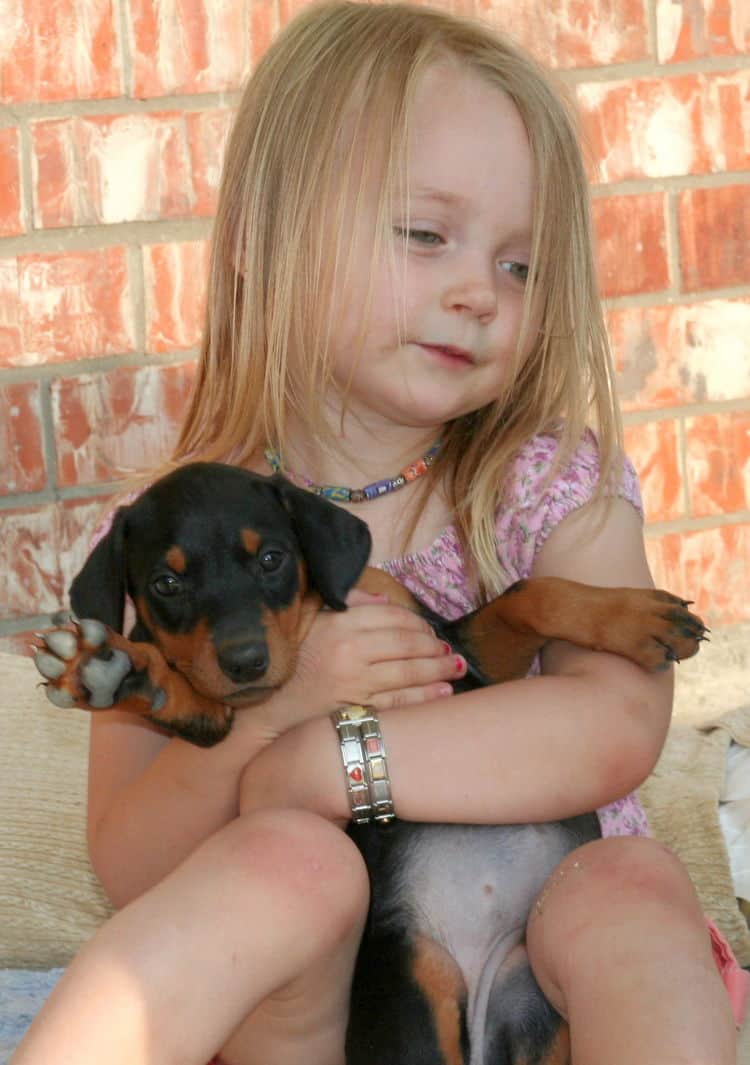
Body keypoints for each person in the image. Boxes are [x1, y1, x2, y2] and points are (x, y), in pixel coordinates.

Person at [12, 3, 747, 1064]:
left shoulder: (547, 485)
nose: (477, 294)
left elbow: (609, 730)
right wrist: (274, 717)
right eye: (425, 235)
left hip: (565, 987)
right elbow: (132, 865)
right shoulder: (192, 539)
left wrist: (337, 760)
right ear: (275, 240)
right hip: (331, 1015)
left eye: (519, 265)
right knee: (286, 870)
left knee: (632, 886)